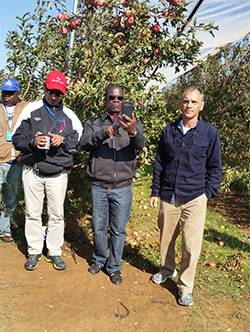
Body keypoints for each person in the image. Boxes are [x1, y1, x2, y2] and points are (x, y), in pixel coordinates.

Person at [150, 86, 222, 306]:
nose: (189, 105)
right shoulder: (168, 131)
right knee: (166, 240)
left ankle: (185, 287)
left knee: (191, 246)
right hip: (169, 195)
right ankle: (166, 270)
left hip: (194, 197)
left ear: (201, 105)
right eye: (185, 101)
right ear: (180, 104)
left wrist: (206, 194)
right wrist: (155, 191)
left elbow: (215, 167)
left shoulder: (210, 133)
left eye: (193, 102)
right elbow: (160, 163)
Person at [12, 70, 83, 271]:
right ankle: (34, 251)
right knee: (32, 213)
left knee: (56, 215)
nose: (54, 96)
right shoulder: (31, 111)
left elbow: (78, 141)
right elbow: (17, 139)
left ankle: (54, 251)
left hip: (58, 174)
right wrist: (33, 141)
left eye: (58, 93)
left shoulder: (70, 116)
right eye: (51, 91)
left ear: (63, 94)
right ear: (44, 89)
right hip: (33, 171)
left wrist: (63, 141)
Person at [81, 84, 145, 285]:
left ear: (123, 100)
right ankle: (100, 259)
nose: (115, 101)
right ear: (105, 100)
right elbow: (83, 143)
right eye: (111, 98)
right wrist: (104, 133)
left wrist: (133, 131)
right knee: (99, 227)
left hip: (123, 186)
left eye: (119, 98)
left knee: (118, 229)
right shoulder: (95, 122)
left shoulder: (132, 122)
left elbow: (141, 145)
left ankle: (114, 267)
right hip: (99, 185)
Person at [0, 78, 28, 243]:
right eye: (4, 92)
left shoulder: (26, 108)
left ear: (18, 93)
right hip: (0, 158)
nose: (6, 96)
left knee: (11, 196)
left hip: (17, 159)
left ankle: (5, 229)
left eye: (10, 93)